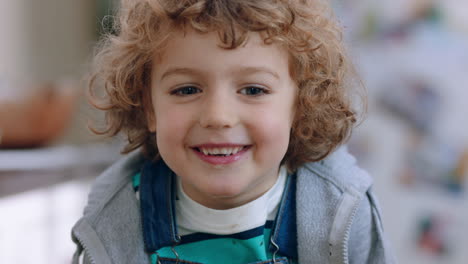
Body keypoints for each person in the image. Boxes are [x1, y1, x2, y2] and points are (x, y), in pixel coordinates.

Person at [72, 0, 395, 263]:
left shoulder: (343, 212)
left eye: (253, 90)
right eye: (186, 90)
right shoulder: (113, 221)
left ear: (300, 105)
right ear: (149, 107)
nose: (218, 117)